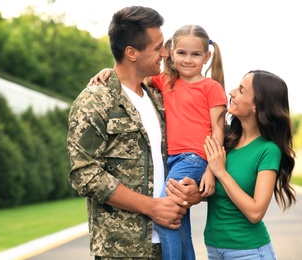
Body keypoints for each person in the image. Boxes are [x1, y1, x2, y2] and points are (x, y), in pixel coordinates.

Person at [67, 6, 202, 259]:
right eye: (158, 47)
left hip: (170, 244)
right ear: (131, 53)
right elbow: (84, 173)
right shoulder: (95, 101)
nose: (165, 53)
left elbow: (189, 149)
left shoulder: (161, 98)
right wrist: (152, 208)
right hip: (122, 250)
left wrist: (197, 191)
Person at [88, 24, 228, 260]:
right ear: (171, 53)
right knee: (178, 222)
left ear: (207, 56)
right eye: (182, 53)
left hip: (194, 158)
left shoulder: (211, 88)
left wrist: (211, 171)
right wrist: (108, 72)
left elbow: (218, 131)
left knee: (164, 214)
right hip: (171, 160)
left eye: (195, 54)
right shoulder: (166, 81)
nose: (187, 60)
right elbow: (129, 75)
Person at [201, 70, 297, 259]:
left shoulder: (268, 150)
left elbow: (255, 212)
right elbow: (215, 193)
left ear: (257, 105)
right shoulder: (226, 141)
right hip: (214, 249)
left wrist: (221, 172)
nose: (231, 92)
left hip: (249, 252)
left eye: (242, 90)